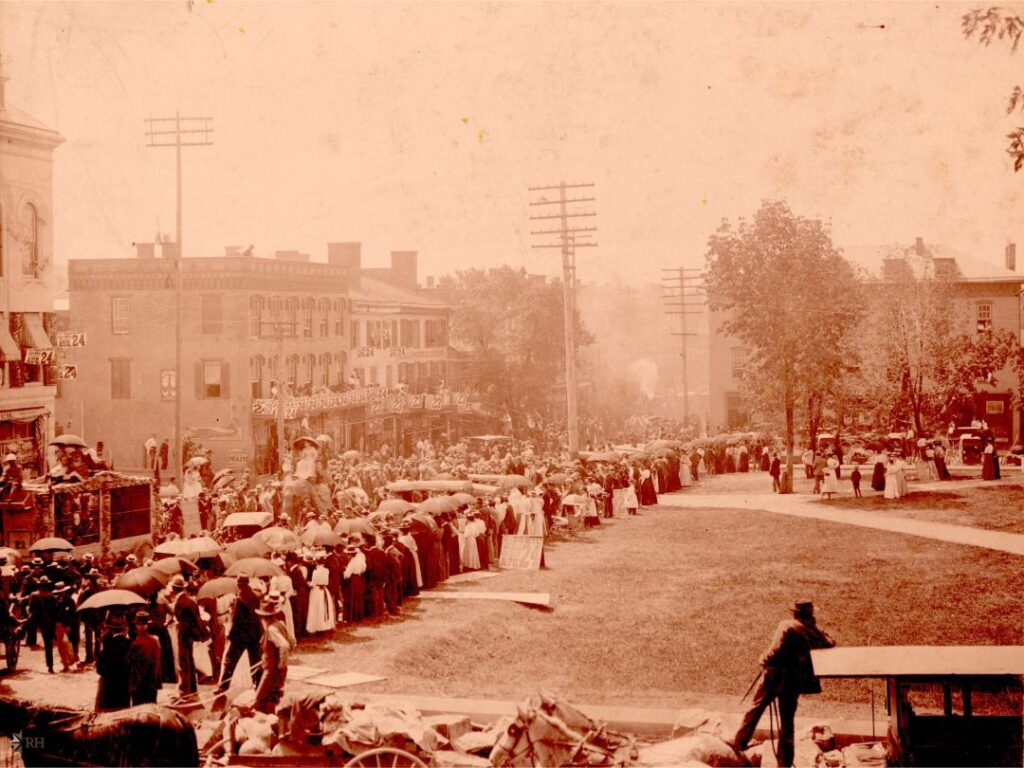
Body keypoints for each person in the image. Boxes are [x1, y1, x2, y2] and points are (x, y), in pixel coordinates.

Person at [732, 600, 836, 767]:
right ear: (810, 614)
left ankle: (738, 744)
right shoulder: (813, 631)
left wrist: (763, 659)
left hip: (774, 676)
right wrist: (817, 629)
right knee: (787, 723)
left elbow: (775, 650)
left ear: (795, 613)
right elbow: (831, 643)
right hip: (793, 680)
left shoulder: (786, 625)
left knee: (755, 709)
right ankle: (784, 762)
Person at [215, 575, 263, 706]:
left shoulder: (239, 599)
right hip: (253, 634)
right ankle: (258, 685)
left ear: (239, 584)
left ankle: (223, 687)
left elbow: (236, 620)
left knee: (229, 661)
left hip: (240, 636)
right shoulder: (255, 596)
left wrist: (230, 635)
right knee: (256, 661)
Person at [253, 594, 296, 714]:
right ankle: (277, 720)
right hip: (277, 670)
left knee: (258, 702)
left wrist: (281, 663)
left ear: (264, 618)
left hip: (272, 672)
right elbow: (292, 641)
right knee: (274, 697)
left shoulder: (272, 629)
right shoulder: (280, 624)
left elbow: (284, 645)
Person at [96, 613, 133, 712]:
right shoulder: (130, 645)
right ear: (125, 629)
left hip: (108, 689)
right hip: (124, 688)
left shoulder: (107, 646)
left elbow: (100, 669)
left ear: (110, 629)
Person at [126, 610, 162, 705]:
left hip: (139, 685)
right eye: (140, 624)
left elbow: (131, 666)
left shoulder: (135, 644)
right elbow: (157, 663)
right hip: (151, 683)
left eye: (142, 624)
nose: (141, 627)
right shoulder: (154, 641)